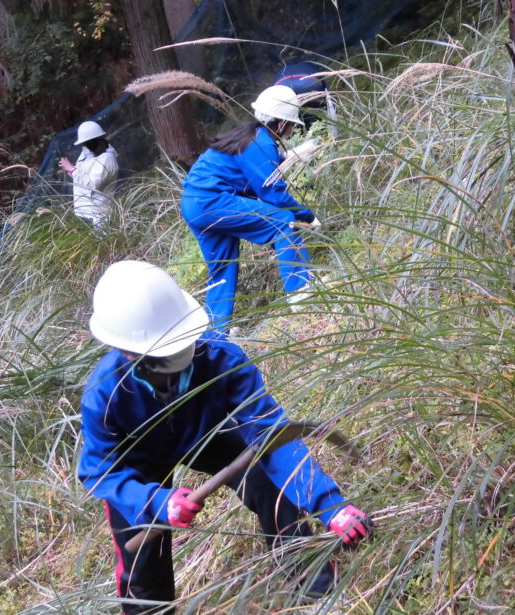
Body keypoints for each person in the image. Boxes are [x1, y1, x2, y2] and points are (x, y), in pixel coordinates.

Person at [78, 260, 372, 614]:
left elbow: (273, 437)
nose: (183, 355)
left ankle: (315, 590)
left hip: (209, 433)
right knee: (141, 555)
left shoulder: (221, 358)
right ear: (127, 351)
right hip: (140, 460)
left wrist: (329, 504)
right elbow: (98, 471)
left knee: (270, 485)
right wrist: (155, 502)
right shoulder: (105, 395)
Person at [181, 85, 321, 329]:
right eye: (291, 124)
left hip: (194, 204)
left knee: (221, 271)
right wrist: (307, 216)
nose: (292, 129)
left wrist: (293, 156)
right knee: (283, 221)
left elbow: (254, 170)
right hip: (213, 201)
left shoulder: (251, 135)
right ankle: (301, 289)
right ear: (280, 123)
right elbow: (272, 192)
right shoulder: (260, 142)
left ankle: (215, 335)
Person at [58, 120, 119, 227]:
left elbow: (92, 184)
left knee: (105, 243)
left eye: (85, 143)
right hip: (88, 214)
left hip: (100, 215)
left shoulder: (106, 159)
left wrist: (72, 169)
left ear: (91, 142)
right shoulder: (89, 156)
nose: (83, 146)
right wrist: (71, 170)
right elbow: (81, 176)